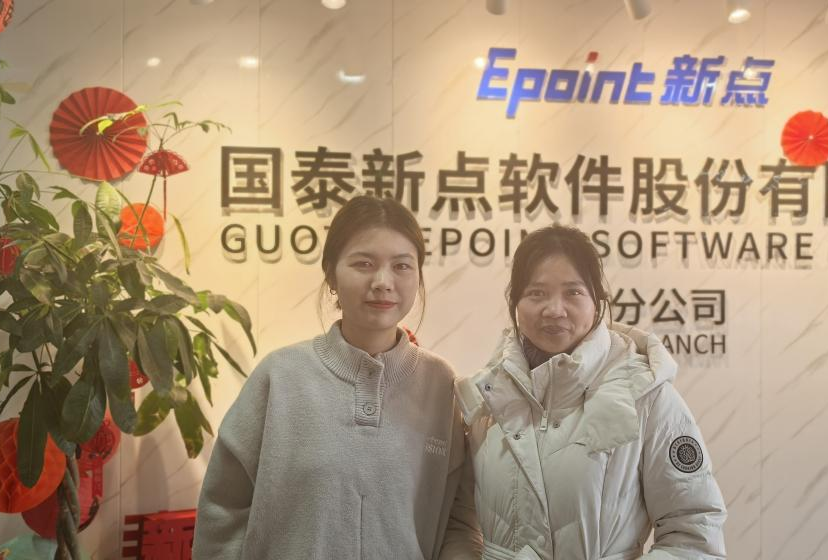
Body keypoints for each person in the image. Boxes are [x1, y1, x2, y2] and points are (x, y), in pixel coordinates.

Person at [195, 196, 481, 559]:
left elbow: (459, 517)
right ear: (330, 273)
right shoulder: (279, 377)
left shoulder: (441, 384)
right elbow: (222, 512)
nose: (383, 282)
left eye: (402, 266)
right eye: (364, 263)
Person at [455, 224, 727, 560]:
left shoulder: (645, 395)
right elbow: (458, 521)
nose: (555, 309)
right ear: (515, 303)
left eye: (573, 292)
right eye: (536, 293)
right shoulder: (488, 396)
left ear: (597, 302)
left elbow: (695, 531)